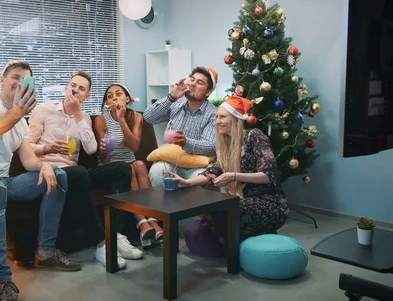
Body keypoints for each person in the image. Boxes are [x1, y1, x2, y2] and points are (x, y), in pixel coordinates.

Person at [0, 60, 81, 301]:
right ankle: (2, 281)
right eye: (15, 77)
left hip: (2, 184)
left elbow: (30, 161)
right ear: (2, 80)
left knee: (60, 175)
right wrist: (16, 112)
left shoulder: (20, 123)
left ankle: (46, 251)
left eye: (25, 79)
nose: (19, 82)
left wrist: (46, 166)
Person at [28, 71, 143, 270]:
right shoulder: (44, 110)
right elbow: (26, 145)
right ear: (66, 88)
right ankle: (102, 245)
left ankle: (115, 235)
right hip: (51, 170)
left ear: (86, 96)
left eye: (82, 89)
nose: (76, 90)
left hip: (75, 173)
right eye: (73, 85)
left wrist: (79, 116)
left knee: (123, 168)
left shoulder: (84, 118)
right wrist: (47, 148)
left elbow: (90, 149)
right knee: (79, 171)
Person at [173, 94, 289, 244]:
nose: (217, 121)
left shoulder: (254, 136)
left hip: (270, 203)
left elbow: (269, 175)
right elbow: (212, 171)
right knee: (212, 210)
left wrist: (234, 176)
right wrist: (187, 183)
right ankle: (242, 239)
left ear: (234, 119)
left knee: (227, 207)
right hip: (245, 201)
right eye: (216, 117)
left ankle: (239, 247)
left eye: (222, 117)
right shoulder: (226, 145)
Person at [94, 83, 164, 247]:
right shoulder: (101, 119)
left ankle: (152, 220)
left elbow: (134, 147)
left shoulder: (136, 117)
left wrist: (121, 120)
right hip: (111, 165)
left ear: (127, 99)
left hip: (130, 161)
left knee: (139, 164)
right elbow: (103, 157)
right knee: (131, 168)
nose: (114, 98)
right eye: (110, 96)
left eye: (118, 94)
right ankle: (143, 224)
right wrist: (104, 149)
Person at [143, 66, 218, 187]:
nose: (193, 84)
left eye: (200, 82)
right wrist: (171, 97)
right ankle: (164, 206)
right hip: (173, 162)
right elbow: (148, 117)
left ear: (208, 92)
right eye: (192, 79)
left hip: (199, 165)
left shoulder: (213, 114)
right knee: (158, 172)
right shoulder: (176, 104)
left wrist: (186, 143)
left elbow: (210, 147)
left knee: (199, 182)